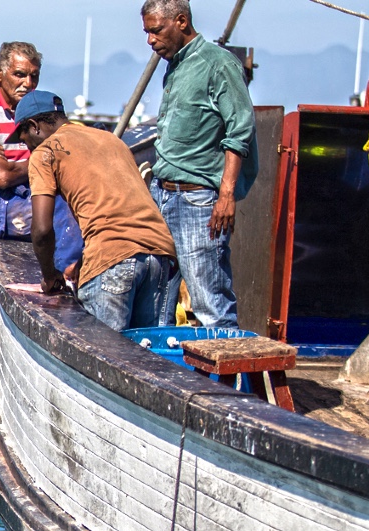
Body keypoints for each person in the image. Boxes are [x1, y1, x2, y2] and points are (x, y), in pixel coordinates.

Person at [10, 90, 177, 331]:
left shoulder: (45, 153)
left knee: (105, 352)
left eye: (24, 138)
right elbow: (118, 212)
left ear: (35, 126)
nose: (27, 147)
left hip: (113, 260)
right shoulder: (110, 140)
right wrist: (82, 263)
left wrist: (50, 276)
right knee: (145, 351)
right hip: (159, 254)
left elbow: (42, 230)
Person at [142, 0, 256, 329]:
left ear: (181, 21)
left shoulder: (218, 64)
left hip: (197, 200)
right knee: (157, 298)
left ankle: (222, 364)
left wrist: (226, 195)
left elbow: (240, 131)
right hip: (163, 194)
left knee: (210, 303)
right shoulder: (175, 66)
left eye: (156, 30)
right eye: (147, 32)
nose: (150, 40)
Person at [0, 41, 82, 274]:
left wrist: (20, 164)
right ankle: (68, 272)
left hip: (26, 188)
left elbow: (55, 155)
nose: (28, 83)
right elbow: (2, 176)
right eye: (20, 75)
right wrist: (47, 158)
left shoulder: (34, 111)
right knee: (61, 208)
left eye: (34, 76)